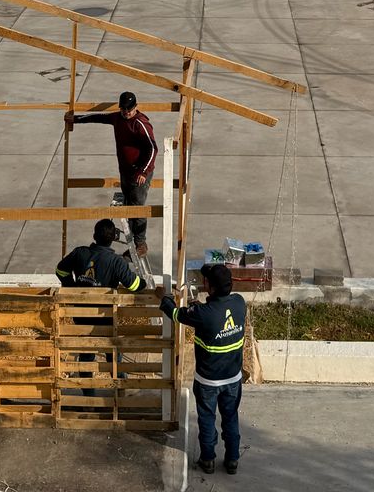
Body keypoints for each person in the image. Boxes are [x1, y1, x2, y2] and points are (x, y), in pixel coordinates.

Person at [161, 264, 246, 475]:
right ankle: (232, 460)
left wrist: (165, 300)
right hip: (233, 379)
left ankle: (207, 460)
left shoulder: (202, 314)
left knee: (207, 419)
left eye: (206, 280)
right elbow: (216, 314)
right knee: (230, 418)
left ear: (211, 287)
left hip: (208, 381)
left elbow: (175, 314)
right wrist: (202, 308)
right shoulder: (239, 303)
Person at [65, 91, 157, 256]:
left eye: (129, 109)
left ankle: (141, 243)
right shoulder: (117, 118)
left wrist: (143, 172)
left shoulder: (140, 124)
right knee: (128, 207)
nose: (126, 112)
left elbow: (152, 149)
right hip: (125, 172)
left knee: (138, 208)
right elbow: (98, 118)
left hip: (139, 174)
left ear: (135, 107)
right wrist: (76, 119)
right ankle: (133, 246)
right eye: (123, 109)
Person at [55, 219, 142, 291]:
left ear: (94, 236)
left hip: (79, 304)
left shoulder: (79, 253)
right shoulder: (117, 262)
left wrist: (72, 288)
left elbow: (60, 270)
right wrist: (144, 283)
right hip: (105, 306)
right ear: (114, 238)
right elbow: (134, 285)